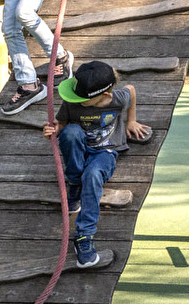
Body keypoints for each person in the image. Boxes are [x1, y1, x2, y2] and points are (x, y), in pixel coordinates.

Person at [41, 61, 152, 268]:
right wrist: (53, 130)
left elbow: (132, 91)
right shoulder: (73, 101)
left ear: (105, 95)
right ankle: (74, 183)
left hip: (105, 151)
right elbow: (62, 125)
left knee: (92, 174)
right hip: (80, 148)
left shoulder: (117, 99)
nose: (77, 101)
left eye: (83, 100)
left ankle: (84, 235)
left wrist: (131, 120)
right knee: (70, 133)